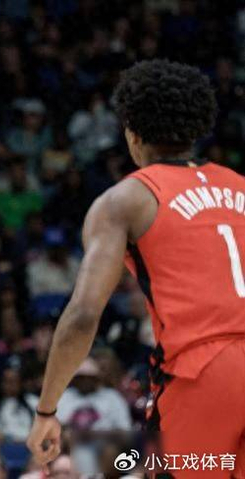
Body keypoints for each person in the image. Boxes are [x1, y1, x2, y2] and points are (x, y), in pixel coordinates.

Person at [27, 59, 245, 478]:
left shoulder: (126, 199)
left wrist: (47, 410)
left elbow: (84, 314)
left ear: (131, 132)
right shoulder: (239, 185)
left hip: (203, 371)